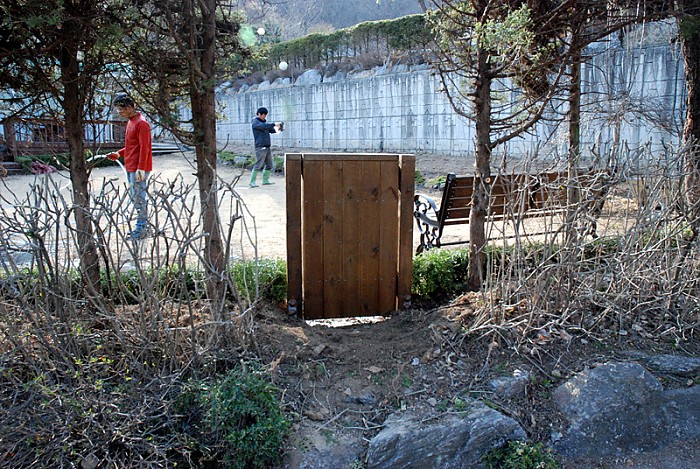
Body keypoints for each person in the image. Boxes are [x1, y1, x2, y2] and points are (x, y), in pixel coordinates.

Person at [107, 93, 153, 240]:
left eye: (122, 109)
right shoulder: (131, 122)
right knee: (135, 197)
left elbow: (145, 147)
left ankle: (141, 229)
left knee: (139, 198)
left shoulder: (142, 123)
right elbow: (132, 146)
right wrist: (118, 154)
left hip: (139, 168)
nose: (120, 112)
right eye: (118, 109)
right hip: (131, 166)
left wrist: (141, 168)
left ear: (130, 107)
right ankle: (144, 226)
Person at [250, 107, 283, 187]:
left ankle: (265, 180)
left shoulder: (264, 123)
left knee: (269, 164)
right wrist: (274, 124)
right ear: (259, 114)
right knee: (259, 164)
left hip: (267, 146)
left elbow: (271, 130)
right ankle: (252, 182)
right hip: (260, 147)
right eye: (263, 115)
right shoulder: (256, 123)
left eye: (265, 115)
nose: (264, 116)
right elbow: (264, 126)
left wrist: (279, 128)